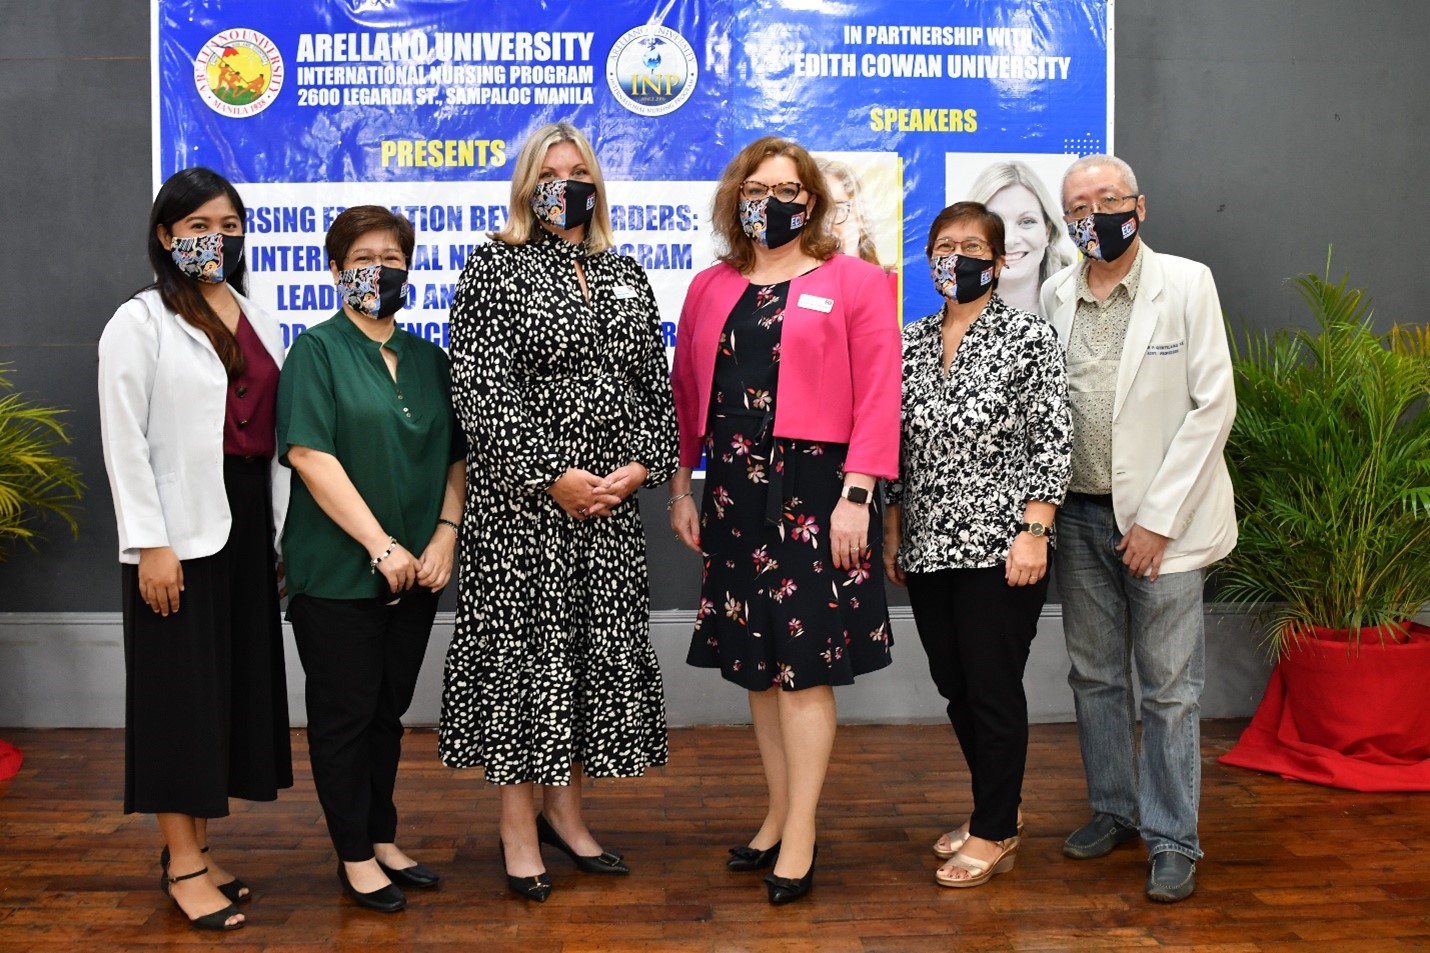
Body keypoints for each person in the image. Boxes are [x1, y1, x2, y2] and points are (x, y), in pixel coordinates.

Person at [439, 121, 678, 903]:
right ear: (526, 187)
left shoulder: (625, 273)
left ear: (596, 186)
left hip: (608, 515)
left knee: (580, 662)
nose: (565, 185)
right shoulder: (494, 268)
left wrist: (638, 468)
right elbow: (482, 393)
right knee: (525, 664)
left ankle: (567, 814)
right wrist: (553, 476)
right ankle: (518, 825)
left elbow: (655, 391)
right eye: (549, 173)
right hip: (524, 516)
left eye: (578, 173)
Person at [670, 136, 902, 905]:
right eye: (756, 188)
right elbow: (687, 393)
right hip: (734, 493)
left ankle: (801, 831)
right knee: (758, 665)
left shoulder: (857, 281)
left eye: (787, 190)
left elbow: (880, 392)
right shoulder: (710, 286)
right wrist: (681, 488)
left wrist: (858, 496)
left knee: (802, 667)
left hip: (817, 492)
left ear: (811, 201)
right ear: (736, 198)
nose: (770, 202)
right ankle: (776, 811)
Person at [98, 166, 292, 932]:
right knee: (178, 700)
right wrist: (150, 542)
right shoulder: (139, 321)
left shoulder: (259, 316)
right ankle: (181, 864)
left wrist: (277, 535)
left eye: (229, 225)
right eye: (199, 226)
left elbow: (274, 439)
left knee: (222, 698)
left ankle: (200, 851)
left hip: (245, 524)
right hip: (176, 534)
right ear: (166, 235)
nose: (217, 238)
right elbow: (125, 442)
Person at [1040, 154, 1237, 903]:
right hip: (1079, 515)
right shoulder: (1056, 293)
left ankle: (1173, 838)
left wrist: (1157, 520)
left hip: (1163, 525)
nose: (1094, 216)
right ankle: (1115, 808)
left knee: (1169, 690)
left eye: (1107, 200)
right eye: (1078, 207)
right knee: (1094, 675)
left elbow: (1213, 406)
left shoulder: (1186, 283)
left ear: (1139, 207)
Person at [277, 205, 465, 913]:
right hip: (337, 572)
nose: (378, 270)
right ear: (335, 269)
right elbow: (308, 453)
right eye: (362, 258)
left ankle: (381, 836)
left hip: (418, 572)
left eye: (391, 258)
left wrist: (444, 534)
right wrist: (379, 544)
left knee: (388, 711)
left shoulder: (430, 360)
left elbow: (456, 457)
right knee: (345, 715)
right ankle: (353, 853)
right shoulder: (316, 351)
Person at [883, 202, 1071, 888]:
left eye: (970, 247)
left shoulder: (1029, 337)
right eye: (944, 245)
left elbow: (1053, 439)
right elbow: (894, 448)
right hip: (927, 544)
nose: (955, 258)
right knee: (955, 683)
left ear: (997, 261)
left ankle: (994, 828)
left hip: (1003, 547)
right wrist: (893, 531)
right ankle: (999, 803)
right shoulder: (908, 342)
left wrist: (1035, 531)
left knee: (992, 685)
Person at [966, 160, 1076, 316]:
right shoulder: (949, 318)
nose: (1009, 240)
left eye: (1026, 222)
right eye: (994, 223)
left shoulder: (1079, 308)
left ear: (1047, 231)